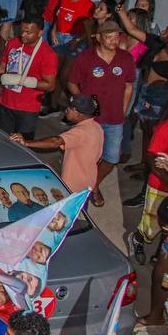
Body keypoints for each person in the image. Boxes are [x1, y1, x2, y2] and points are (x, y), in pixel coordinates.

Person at [68, 20, 136, 206]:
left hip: (115, 118)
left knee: (112, 158)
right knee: (88, 158)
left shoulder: (125, 58)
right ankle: (88, 188)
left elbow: (129, 86)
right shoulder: (86, 58)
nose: (114, 41)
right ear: (98, 37)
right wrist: (83, 105)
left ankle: (93, 185)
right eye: (109, 37)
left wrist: (123, 110)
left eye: (116, 37)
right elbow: (72, 82)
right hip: (91, 120)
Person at [0, 16, 58, 141]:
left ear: (40, 33)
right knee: (3, 140)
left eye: (28, 32)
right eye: (21, 31)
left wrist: (21, 81)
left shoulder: (47, 54)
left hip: (27, 110)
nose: (23, 35)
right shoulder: (13, 43)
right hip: (5, 104)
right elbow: (1, 68)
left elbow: (50, 85)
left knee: (23, 144)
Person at [12, 93, 104, 195]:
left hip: (73, 185)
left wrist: (26, 142)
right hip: (88, 179)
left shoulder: (80, 132)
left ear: (78, 113)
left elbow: (55, 141)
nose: (66, 110)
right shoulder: (96, 127)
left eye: (69, 108)